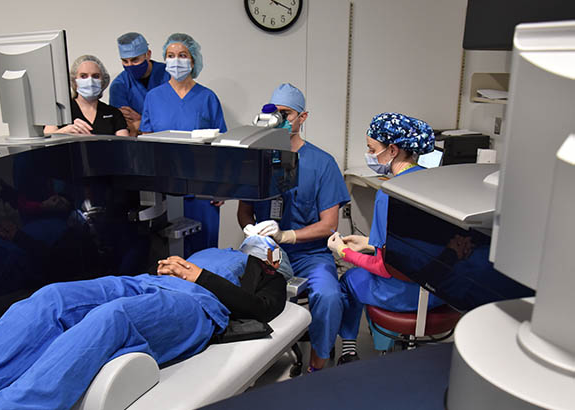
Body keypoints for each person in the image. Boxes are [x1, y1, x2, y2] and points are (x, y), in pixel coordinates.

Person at [0, 236, 290, 410]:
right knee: (52, 298)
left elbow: (263, 310)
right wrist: (172, 267)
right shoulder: (208, 247)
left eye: (263, 239)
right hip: (146, 283)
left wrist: (201, 276)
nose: (254, 238)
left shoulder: (270, 271)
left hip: (198, 309)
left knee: (111, 319)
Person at [238, 83, 350, 372]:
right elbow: (244, 211)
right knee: (237, 291)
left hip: (310, 255)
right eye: (274, 113)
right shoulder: (258, 159)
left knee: (328, 295)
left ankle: (318, 363)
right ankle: (252, 365)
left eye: (286, 113)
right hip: (267, 253)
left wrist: (287, 235)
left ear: (303, 117)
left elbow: (329, 225)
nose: (280, 119)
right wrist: (252, 232)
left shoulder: (322, 163)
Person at [327, 112, 445, 364]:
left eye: (372, 148)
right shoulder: (436, 182)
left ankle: (349, 349)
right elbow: (418, 244)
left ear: (392, 150)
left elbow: (382, 266)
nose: (369, 154)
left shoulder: (389, 194)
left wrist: (343, 253)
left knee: (348, 279)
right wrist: (370, 242)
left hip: (405, 296)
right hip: (439, 293)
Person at [139, 33, 228, 256]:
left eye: (182, 55)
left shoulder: (207, 97)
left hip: (202, 190)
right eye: (170, 55)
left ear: (193, 60)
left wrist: (221, 188)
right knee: (166, 256)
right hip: (164, 190)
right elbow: (146, 144)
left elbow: (223, 146)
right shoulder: (153, 97)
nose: (176, 60)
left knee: (204, 257)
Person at [44, 55, 129, 137]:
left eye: (95, 76)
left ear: (103, 81)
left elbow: (124, 145)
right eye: (83, 76)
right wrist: (65, 131)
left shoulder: (113, 113)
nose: (90, 81)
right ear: (74, 81)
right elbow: (46, 140)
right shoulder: (60, 111)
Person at [109, 32, 170, 137]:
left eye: (135, 60)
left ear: (148, 55)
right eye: (125, 61)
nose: (130, 65)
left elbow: (175, 118)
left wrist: (141, 120)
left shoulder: (168, 76)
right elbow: (127, 126)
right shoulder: (119, 86)